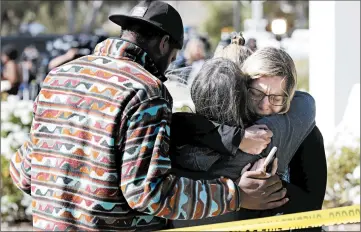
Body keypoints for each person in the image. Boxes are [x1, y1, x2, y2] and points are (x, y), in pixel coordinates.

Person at [9, 1, 284, 231]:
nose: (170, 66)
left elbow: (23, 172)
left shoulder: (59, 76)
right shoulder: (147, 91)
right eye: (174, 56)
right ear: (165, 44)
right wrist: (236, 195)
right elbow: (148, 193)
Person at [168, 41, 325, 229]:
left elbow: (312, 205)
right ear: (242, 88)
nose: (264, 105)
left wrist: (273, 184)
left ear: (288, 97)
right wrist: (236, 138)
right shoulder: (207, 127)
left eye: (276, 98)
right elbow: (178, 122)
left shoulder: (303, 130)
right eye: (256, 93)